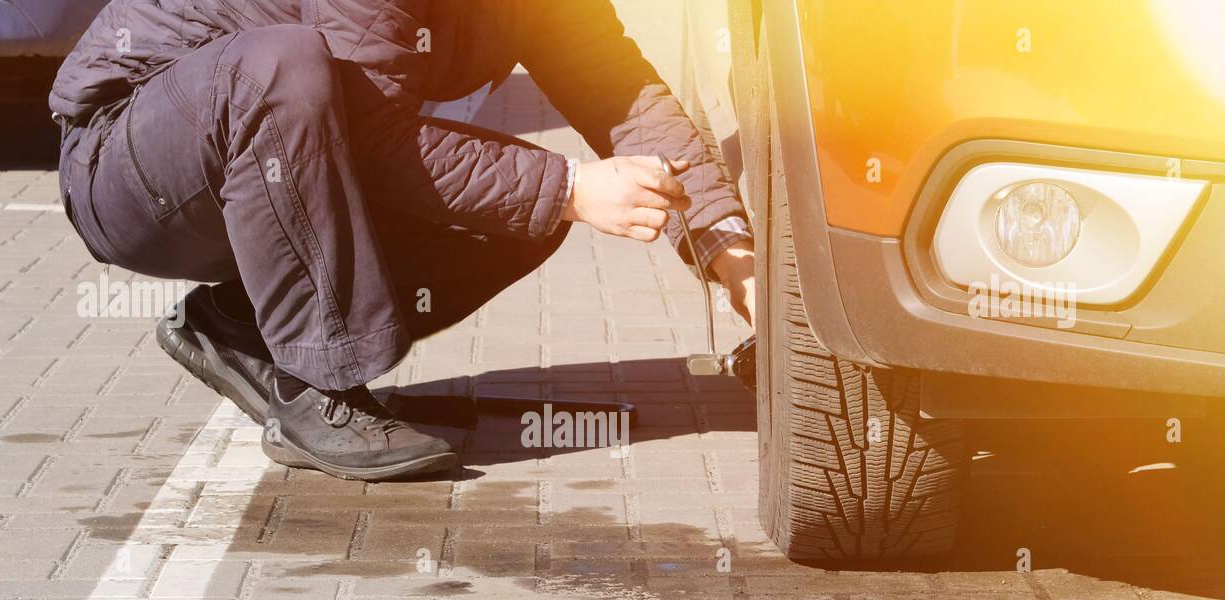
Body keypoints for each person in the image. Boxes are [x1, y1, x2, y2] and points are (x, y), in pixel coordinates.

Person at [51, 0, 755, 480]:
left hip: (256, 158)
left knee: (518, 213)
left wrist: (731, 253)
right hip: (130, 160)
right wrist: (570, 187)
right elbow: (377, 139)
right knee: (280, 67)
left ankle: (242, 328)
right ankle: (314, 387)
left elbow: (619, 92)